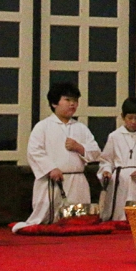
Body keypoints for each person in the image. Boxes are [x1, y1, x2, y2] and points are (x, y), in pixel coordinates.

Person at [12, 82, 101, 232]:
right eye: (67, 100)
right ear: (54, 103)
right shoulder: (43, 126)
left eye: (75, 101)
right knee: (47, 220)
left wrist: (79, 147)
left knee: (77, 222)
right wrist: (51, 168)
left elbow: (96, 152)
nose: (72, 104)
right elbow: (34, 151)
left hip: (77, 180)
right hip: (53, 179)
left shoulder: (81, 128)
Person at [98, 97, 136, 221]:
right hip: (119, 180)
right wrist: (106, 171)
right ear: (123, 116)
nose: (133, 122)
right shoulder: (114, 136)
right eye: (130, 118)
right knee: (118, 213)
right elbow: (106, 160)